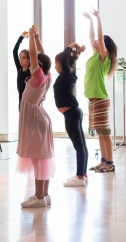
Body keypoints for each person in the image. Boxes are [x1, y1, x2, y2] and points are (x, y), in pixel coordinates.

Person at [16, 25, 55, 208]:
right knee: (43, 157)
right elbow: (42, 54)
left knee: (39, 157)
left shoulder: (38, 75)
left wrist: (31, 36)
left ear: (38, 65)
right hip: (40, 117)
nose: (32, 61)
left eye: (35, 62)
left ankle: (39, 196)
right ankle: (44, 195)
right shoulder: (46, 74)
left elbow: (34, 54)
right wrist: (37, 37)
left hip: (35, 118)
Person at [83, 8, 118, 173]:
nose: (96, 41)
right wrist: (90, 21)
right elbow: (91, 37)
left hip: (100, 99)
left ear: (105, 45)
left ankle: (110, 163)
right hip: (93, 99)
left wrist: (98, 19)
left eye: (100, 40)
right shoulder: (94, 56)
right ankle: (103, 161)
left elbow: (99, 39)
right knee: (99, 132)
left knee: (105, 132)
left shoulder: (104, 57)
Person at [54, 43, 89, 187]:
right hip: (74, 112)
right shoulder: (68, 75)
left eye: (56, 63)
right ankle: (83, 175)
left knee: (79, 146)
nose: (55, 66)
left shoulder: (67, 75)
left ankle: (80, 177)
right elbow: (66, 59)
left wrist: (71, 46)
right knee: (81, 145)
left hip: (71, 114)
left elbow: (64, 57)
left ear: (62, 64)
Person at [13, 30, 44, 109]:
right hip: (21, 101)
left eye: (23, 58)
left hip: (30, 103)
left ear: (29, 59)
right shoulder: (19, 69)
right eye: (20, 57)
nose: (20, 60)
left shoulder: (32, 72)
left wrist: (35, 36)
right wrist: (21, 37)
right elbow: (14, 51)